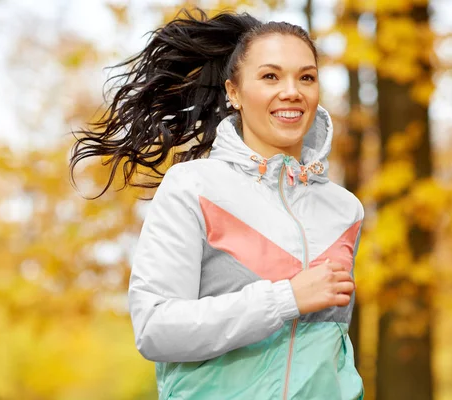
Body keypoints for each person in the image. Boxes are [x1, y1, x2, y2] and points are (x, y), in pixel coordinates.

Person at [70, 8, 365, 400]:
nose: (291, 91)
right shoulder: (194, 187)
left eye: (306, 77)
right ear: (234, 93)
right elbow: (154, 328)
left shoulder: (345, 210)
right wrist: (285, 298)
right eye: (270, 76)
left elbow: (333, 346)